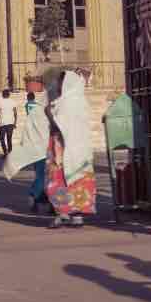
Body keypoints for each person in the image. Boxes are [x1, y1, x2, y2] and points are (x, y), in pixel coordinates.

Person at [44, 69, 96, 226]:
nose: (58, 86)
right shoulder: (81, 101)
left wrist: (49, 113)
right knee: (78, 177)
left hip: (62, 147)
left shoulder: (65, 102)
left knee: (59, 179)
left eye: (60, 82)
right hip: (80, 148)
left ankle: (63, 212)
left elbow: (59, 124)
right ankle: (78, 214)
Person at [4, 75, 53, 216]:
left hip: (38, 148)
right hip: (44, 149)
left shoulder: (38, 109)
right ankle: (37, 198)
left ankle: (42, 200)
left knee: (43, 176)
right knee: (46, 177)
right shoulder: (43, 110)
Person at [0, 87, 19, 155]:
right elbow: (15, 113)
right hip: (10, 123)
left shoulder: (0, 101)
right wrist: (15, 122)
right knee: (9, 138)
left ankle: (5, 152)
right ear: (9, 94)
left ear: (2, 94)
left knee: (2, 138)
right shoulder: (12, 101)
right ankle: (10, 153)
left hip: (2, 123)